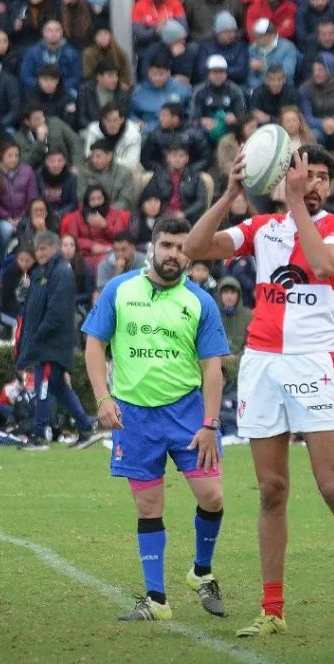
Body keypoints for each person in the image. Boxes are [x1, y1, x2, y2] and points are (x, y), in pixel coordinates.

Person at [183, 145, 334, 639]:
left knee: (333, 487)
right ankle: (272, 610)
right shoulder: (263, 229)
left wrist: (296, 202)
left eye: (321, 177)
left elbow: (321, 265)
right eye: (304, 175)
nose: (313, 184)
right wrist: (230, 195)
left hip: (312, 362)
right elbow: (195, 247)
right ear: (282, 179)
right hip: (261, 364)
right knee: (272, 490)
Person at [82, 215, 229, 622]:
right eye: (166, 245)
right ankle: (156, 600)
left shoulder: (200, 301)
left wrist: (210, 423)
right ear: (151, 248)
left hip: (187, 414)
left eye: (182, 248)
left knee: (212, 496)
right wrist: (102, 398)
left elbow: (212, 368)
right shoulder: (119, 289)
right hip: (134, 418)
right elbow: (94, 344)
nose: (173, 254)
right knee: (148, 506)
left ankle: (201, 572)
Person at [16, 230, 100, 451]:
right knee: (57, 386)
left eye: (44, 248)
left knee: (43, 386)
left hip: (51, 343)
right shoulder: (41, 272)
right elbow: (30, 304)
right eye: (38, 249)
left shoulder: (61, 271)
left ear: (54, 248)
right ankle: (85, 428)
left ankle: (39, 436)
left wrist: (38, 335)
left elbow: (56, 311)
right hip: (46, 342)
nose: (40, 253)